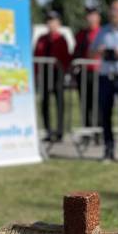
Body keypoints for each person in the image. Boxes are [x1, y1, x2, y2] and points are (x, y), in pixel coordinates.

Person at [91, 0, 118, 161]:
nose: (113, 13)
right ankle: (108, 149)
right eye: (112, 10)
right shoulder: (103, 32)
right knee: (105, 115)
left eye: (117, 10)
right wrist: (99, 51)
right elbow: (91, 53)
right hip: (106, 78)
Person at [34, 11, 73, 142]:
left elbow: (66, 58)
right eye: (49, 21)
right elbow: (36, 55)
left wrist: (66, 72)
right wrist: (36, 73)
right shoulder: (42, 39)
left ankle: (59, 131)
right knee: (44, 102)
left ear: (58, 23)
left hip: (57, 72)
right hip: (44, 72)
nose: (51, 24)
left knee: (59, 102)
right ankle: (48, 130)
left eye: (53, 21)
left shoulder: (61, 39)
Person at [73, 6, 102, 127]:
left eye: (92, 15)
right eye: (88, 15)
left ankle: (98, 129)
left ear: (98, 17)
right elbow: (75, 53)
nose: (89, 18)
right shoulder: (81, 34)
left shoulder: (102, 33)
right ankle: (87, 129)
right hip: (83, 73)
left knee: (97, 103)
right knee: (85, 103)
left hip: (98, 72)